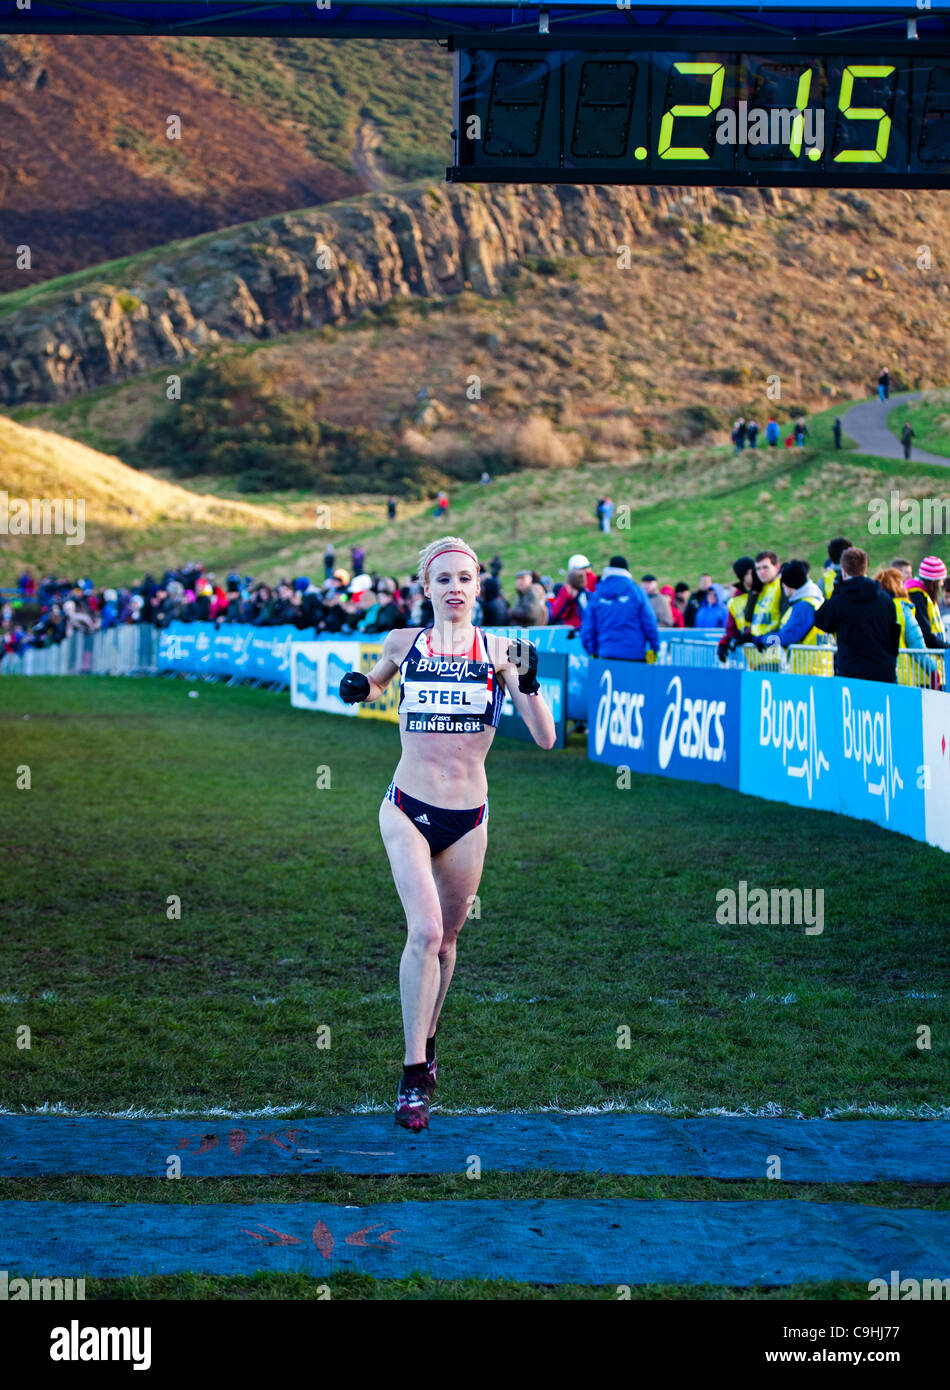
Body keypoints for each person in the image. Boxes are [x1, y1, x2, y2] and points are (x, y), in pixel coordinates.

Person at [339, 536, 555, 1130]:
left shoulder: (507, 651)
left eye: (465, 577)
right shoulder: (403, 642)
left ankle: (428, 1043)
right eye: (443, 579)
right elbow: (378, 681)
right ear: (426, 589)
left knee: (450, 941)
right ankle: (412, 1079)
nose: (454, 587)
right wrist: (362, 685)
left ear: (478, 586)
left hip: (469, 817)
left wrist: (530, 684)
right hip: (406, 807)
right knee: (426, 931)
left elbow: (545, 738)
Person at [814, 547, 900, 683]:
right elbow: (893, 635)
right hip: (883, 673)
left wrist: (836, 590)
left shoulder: (840, 601)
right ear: (865, 568)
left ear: (843, 570)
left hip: (851, 674)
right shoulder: (885, 599)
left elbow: (821, 620)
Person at [580, 555, 659, 661]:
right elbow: (650, 622)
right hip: (634, 655)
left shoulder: (598, 594)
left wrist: (592, 651)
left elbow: (588, 627)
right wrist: (654, 648)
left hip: (606, 654)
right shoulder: (636, 592)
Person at [875, 567, 938, 686]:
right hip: (901, 677)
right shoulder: (902, 608)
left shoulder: (873, 607)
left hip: (875, 675)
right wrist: (933, 671)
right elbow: (917, 645)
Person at [751, 560, 824, 653]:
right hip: (818, 662)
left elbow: (789, 636)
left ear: (787, 585)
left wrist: (763, 640)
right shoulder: (815, 600)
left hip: (806, 665)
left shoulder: (803, 606)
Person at [717, 555, 760, 662]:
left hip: (773, 655)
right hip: (753, 661)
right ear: (743, 576)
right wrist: (724, 643)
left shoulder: (765, 592)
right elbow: (732, 630)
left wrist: (751, 636)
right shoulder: (735, 601)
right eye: (751, 572)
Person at [906, 556, 948, 649]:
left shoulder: (924, 596)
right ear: (933, 582)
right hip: (922, 659)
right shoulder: (917, 597)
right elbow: (927, 635)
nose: (942, 584)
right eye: (940, 580)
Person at [750, 551, 785, 641]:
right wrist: (753, 593)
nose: (761, 572)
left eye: (766, 567)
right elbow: (749, 616)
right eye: (758, 569)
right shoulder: (759, 587)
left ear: (777, 567)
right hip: (757, 645)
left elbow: (785, 617)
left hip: (773, 644)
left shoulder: (782, 585)